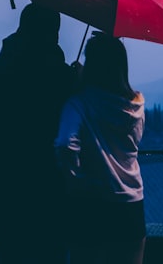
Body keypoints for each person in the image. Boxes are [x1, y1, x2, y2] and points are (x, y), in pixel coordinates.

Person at [0, 3, 77, 264]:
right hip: (52, 197)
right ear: (55, 34)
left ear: (21, 30)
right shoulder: (65, 81)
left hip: (4, 194)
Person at [55, 31, 146, 264]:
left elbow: (66, 143)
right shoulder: (137, 106)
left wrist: (75, 178)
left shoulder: (79, 104)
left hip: (94, 204)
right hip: (132, 204)